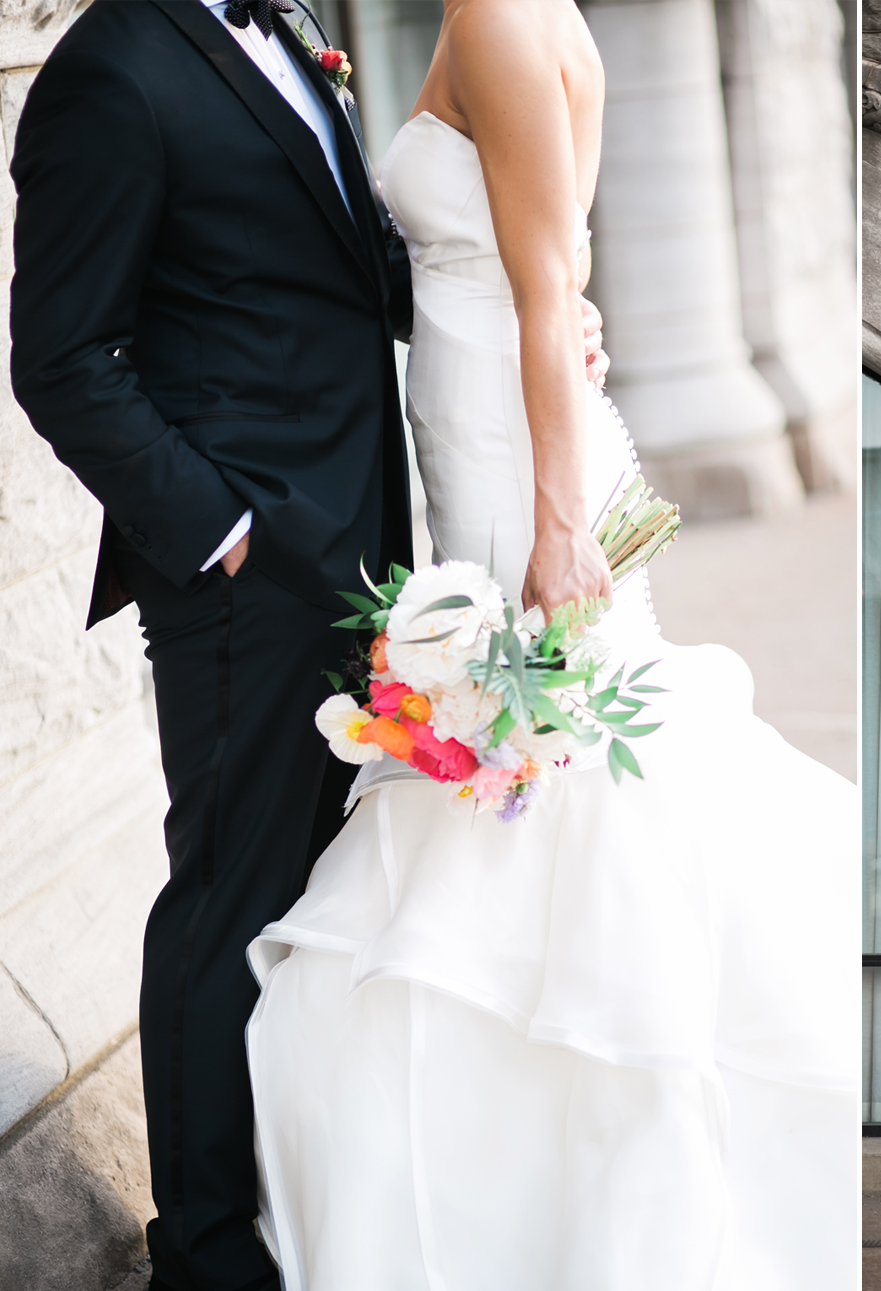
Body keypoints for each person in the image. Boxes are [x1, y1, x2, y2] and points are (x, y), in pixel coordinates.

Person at [240, 3, 857, 1289]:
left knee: (558, 753)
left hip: (512, 437)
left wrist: (562, 530)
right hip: (485, 401)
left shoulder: (506, 23)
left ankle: (571, 1115)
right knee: (545, 754)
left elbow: (541, 291)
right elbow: (547, 274)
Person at [10, 2, 604, 1285]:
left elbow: (335, 265)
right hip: (246, 582)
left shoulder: (291, 24)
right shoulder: (109, 69)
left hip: (371, 559)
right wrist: (219, 529)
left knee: (318, 905)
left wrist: (494, 291)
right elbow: (60, 356)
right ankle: (211, 1256)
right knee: (230, 900)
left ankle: (300, 1209)